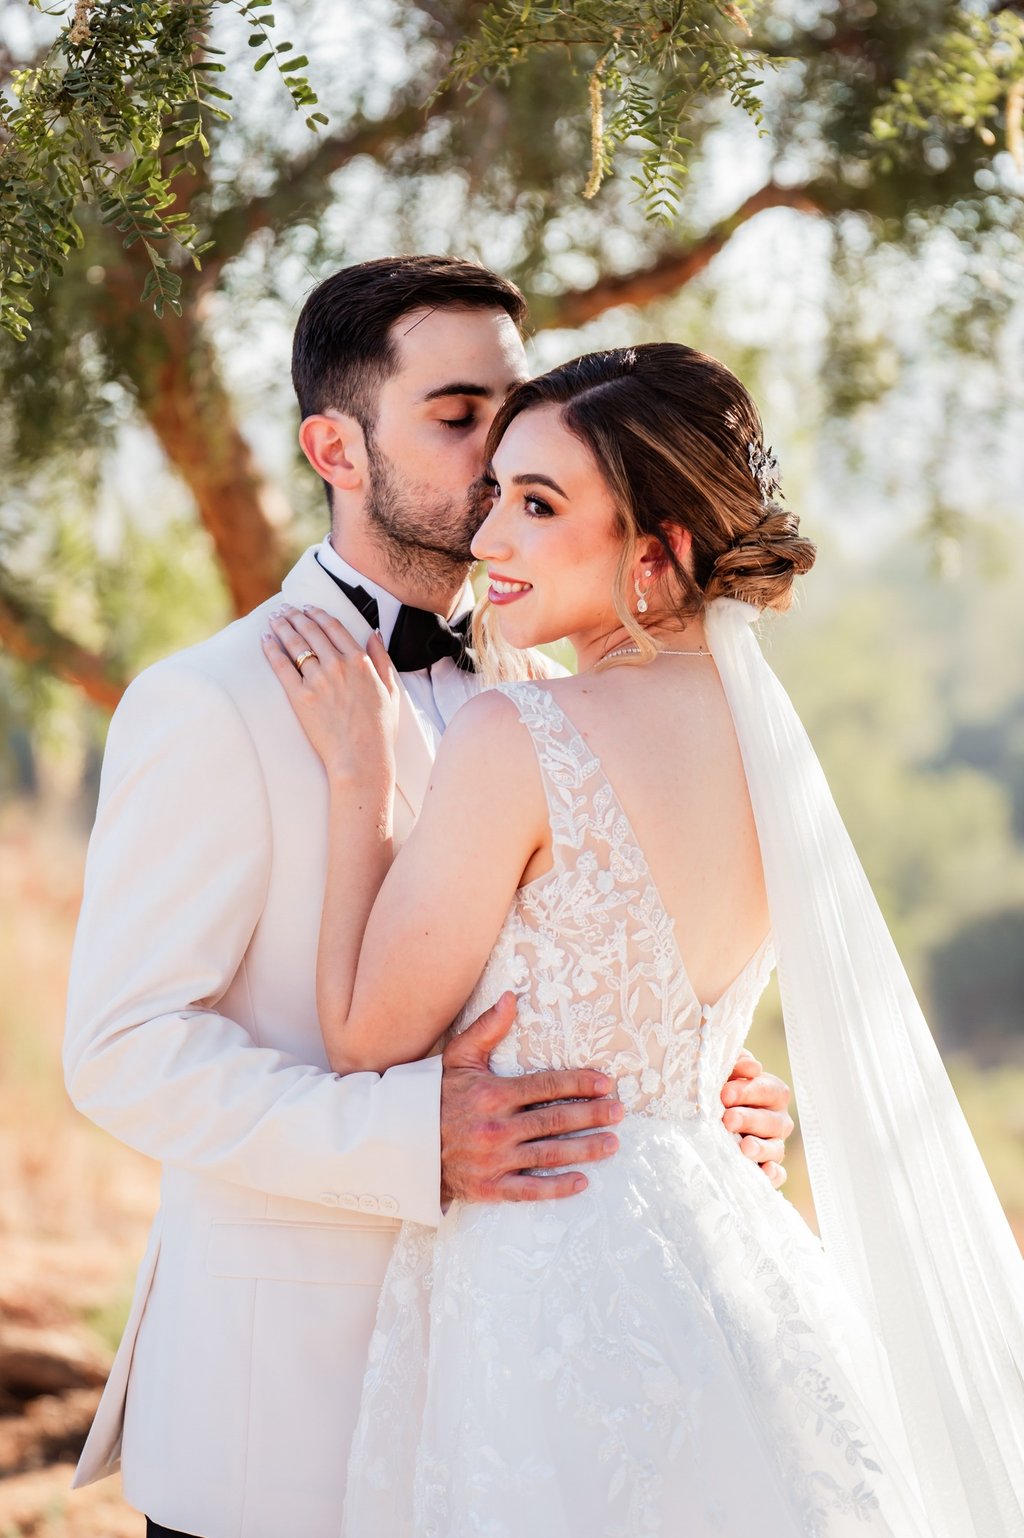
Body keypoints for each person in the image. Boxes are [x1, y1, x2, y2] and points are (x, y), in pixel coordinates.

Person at [63, 260, 793, 1538]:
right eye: (456, 417)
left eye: (512, 416)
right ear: (333, 445)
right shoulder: (209, 702)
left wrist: (680, 1095)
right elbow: (124, 1051)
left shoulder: (559, 693)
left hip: (525, 1402)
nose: (496, 448)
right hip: (283, 1415)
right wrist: (416, 1143)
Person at [266, 341, 1024, 1537]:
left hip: (544, 1269)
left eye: (538, 504)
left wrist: (359, 768)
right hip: (728, 1245)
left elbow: (367, 1036)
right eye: (496, 493)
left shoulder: (519, 732)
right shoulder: (769, 746)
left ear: (657, 552)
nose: (488, 537)